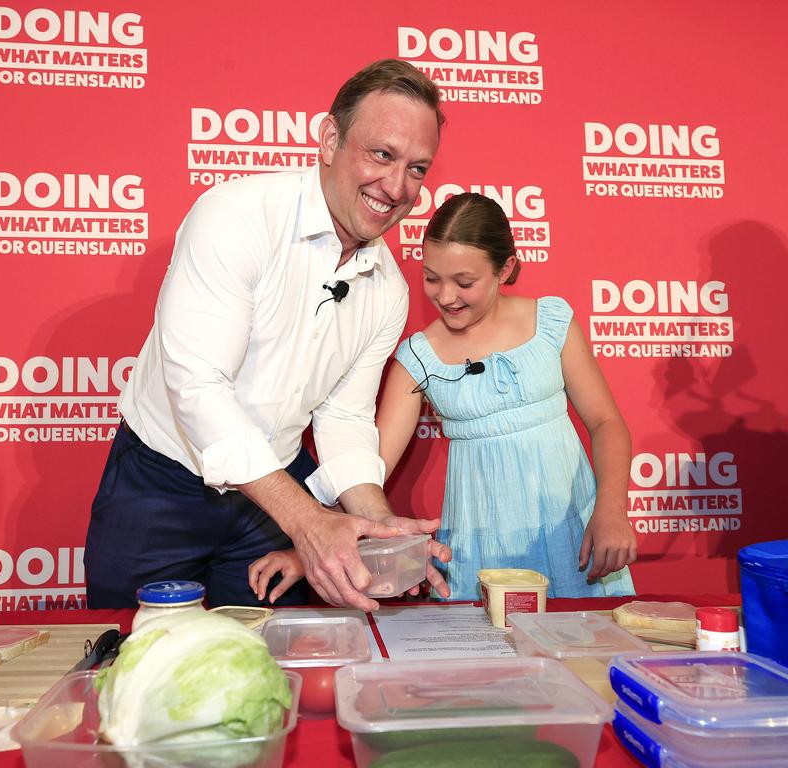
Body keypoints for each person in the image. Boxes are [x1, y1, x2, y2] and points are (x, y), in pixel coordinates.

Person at [85, 59, 452, 612]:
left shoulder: (389, 290)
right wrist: (307, 521)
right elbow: (200, 390)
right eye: (381, 154)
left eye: (417, 168)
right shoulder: (234, 217)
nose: (397, 187)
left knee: (264, 667)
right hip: (161, 489)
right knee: (132, 666)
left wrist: (377, 523)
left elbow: (344, 416)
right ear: (329, 139)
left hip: (269, 505)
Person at [249, 193, 636, 603]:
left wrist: (611, 510)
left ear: (504, 269)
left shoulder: (552, 322)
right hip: (476, 549)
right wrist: (310, 544)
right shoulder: (419, 357)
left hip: (573, 534)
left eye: (464, 282)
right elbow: (365, 470)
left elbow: (605, 422)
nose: (446, 296)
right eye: (432, 278)